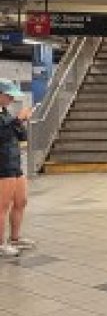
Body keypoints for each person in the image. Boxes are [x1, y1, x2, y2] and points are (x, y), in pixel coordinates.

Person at [0, 79, 34, 258]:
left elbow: (19, 135)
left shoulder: (5, 112)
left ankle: (15, 238)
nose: (12, 98)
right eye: (9, 95)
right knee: (2, 206)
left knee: (21, 201)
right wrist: (16, 120)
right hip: (2, 164)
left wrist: (22, 122)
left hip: (14, 162)